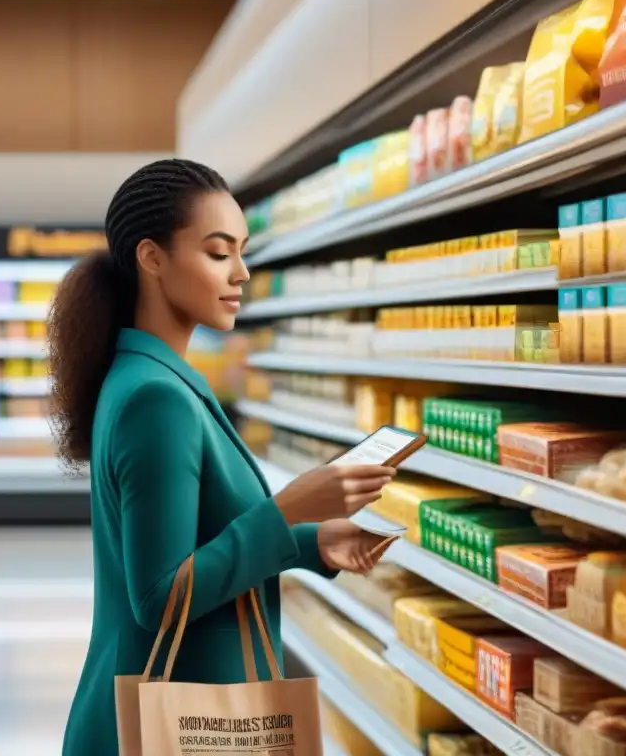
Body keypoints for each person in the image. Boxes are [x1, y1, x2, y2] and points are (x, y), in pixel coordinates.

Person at [50, 158, 396, 755]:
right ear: (151, 258)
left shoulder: (156, 378)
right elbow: (160, 597)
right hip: (165, 725)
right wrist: (287, 510)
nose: (241, 273)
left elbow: (206, 537)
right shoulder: (156, 398)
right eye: (217, 253)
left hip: (174, 715)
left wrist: (311, 542)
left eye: (241, 251)